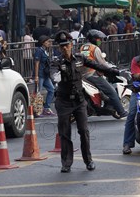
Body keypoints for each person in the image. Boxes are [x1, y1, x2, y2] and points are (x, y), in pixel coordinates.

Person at [50, 30, 120, 173]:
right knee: (65, 133)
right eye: (62, 46)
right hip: (63, 102)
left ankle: (88, 160)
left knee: (84, 131)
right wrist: (58, 76)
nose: (65, 48)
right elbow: (54, 75)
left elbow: (97, 65)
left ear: (71, 45)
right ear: (59, 48)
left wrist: (112, 71)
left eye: (67, 45)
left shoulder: (80, 58)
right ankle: (66, 163)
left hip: (79, 100)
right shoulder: (56, 62)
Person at [79, 29, 127, 118]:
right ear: (93, 39)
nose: (100, 41)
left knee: (103, 91)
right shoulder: (95, 48)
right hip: (92, 74)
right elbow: (102, 63)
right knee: (112, 92)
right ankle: (122, 112)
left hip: (83, 75)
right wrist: (112, 69)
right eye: (99, 39)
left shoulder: (83, 47)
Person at [34, 35, 56, 116]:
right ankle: (36, 110)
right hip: (40, 74)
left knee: (51, 89)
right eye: (47, 41)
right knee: (38, 92)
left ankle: (46, 107)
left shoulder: (45, 50)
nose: (49, 43)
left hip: (45, 75)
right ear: (43, 42)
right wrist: (36, 76)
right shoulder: (39, 51)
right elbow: (36, 63)